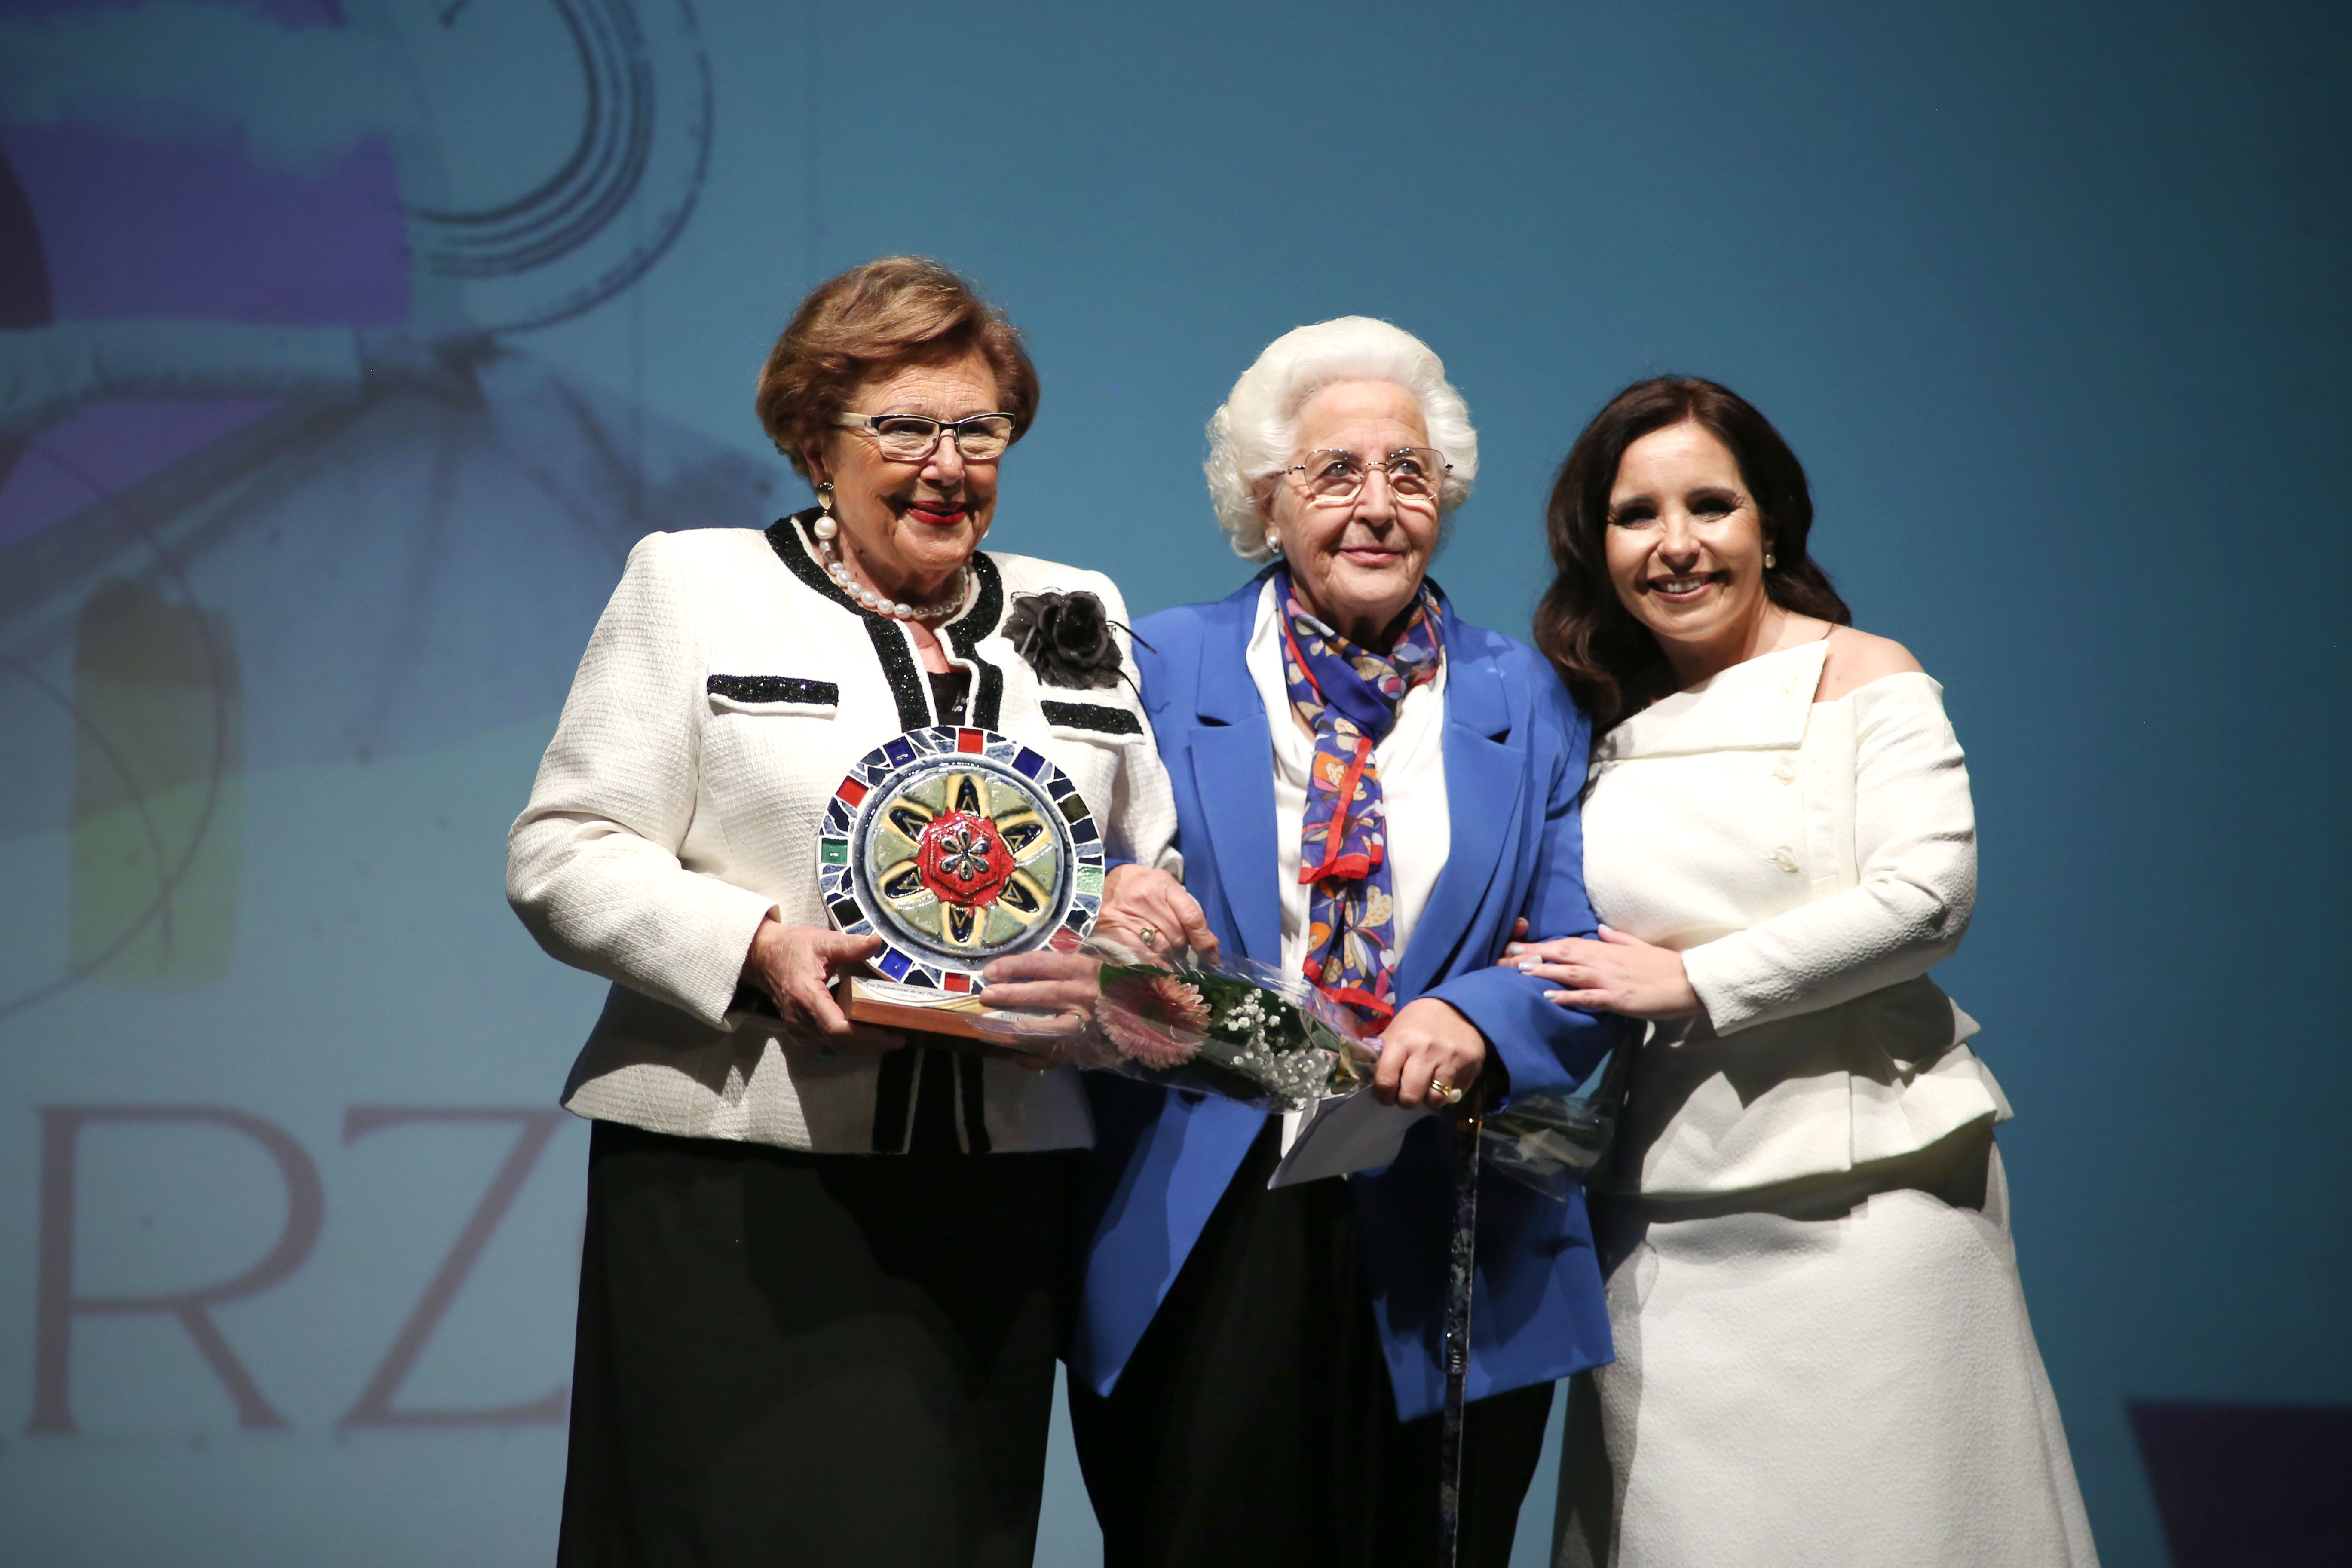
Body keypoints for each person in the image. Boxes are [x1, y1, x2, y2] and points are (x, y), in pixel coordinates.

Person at [506, 255, 1198, 1566]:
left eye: (977, 429)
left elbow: (1126, 857)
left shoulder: (1075, 608)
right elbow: (564, 853)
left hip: (996, 1197)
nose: (947, 463)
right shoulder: (694, 584)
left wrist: (1141, 921)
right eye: (904, 427)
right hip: (737, 1183)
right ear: (815, 441)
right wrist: (756, 949)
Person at [989, 318, 1624, 1568]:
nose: (1379, 505)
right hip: (1201, 1207)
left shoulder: (1531, 696)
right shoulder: (1155, 663)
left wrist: (1480, 1017)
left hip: (1454, 1214)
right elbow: (1035, 847)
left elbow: (1579, 954)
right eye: (1337, 473)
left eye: (1410, 472)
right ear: (1263, 501)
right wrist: (1107, 889)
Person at [1510, 377, 2098, 1566]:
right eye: (1636, 515)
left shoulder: (1867, 673)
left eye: (1710, 505)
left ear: (1769, 521)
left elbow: (1927, 900)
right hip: (1663, 1216)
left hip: (1872, 1200)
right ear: (1598, 542)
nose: (1676, 545)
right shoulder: (1595, 722)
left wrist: (1695, 982)